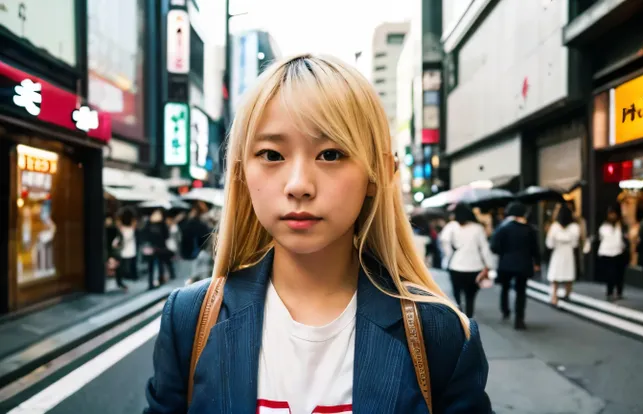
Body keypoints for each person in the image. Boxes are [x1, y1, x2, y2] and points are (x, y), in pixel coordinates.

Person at [144, 54, 492, 413]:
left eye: (330, 154)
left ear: (376, 174)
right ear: (241, 174)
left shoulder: (439, 333)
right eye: (271, 154)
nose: (298, 185)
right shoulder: (189, 318)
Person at [491, 202, 541, 330]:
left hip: (506, 263)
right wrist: (537, 263)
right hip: (523, 264)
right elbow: (535, 249)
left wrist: (503, 253)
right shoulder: (529, 229)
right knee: (521, 291)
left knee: (505, 287)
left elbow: (494, 247)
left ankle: (505, 310)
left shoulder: (503, 228)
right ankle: (519, 319)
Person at [440, 203, 495, 318]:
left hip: (456, 265)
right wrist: (489, 265)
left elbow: (444, 241)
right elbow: (484, 248)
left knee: (457, 292)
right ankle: (469, 316)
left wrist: (449, 254)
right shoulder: (477, 228)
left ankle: (459, 311)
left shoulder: (452, 226)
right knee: (470, 295)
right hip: (474, 267)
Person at [546, 203, 580, 305]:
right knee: (568, 273)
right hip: (568, 252)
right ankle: (567, 293)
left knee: (555, 274)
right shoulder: (574, 227)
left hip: (558, 252)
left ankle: (554, 296)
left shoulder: (554, 227)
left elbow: (549, 243)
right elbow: (575, 243)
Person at [597, 204, 627, 301]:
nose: (612, 216)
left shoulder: (621, 226)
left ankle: (618, 291)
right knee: (610, 273)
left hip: (619, 252)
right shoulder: (604, 226)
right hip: (607, 252)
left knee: (619, 274)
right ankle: (610, 292)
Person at [142, 209, 174, 289]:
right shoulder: (160, 224)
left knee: (155, 265)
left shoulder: (150, 223)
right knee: (158, 264)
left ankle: (153, 282)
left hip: (155, 247)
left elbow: (145, 235)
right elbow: (166, 235)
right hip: (157, 247)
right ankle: (157, 281)